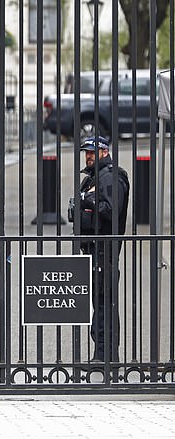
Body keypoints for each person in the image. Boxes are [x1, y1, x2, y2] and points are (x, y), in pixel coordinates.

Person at [70, 136, 129, 362]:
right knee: (99, 302)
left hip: (105, 249)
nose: (89, 156)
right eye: (86, 152)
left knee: (105, 303)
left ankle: (107, 355)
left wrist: (88, 199)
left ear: (105, 151)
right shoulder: (93, 177)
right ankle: (101, 354)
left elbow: (111, 210)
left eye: (93, 152)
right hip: (92, 249)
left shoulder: (112, 176)